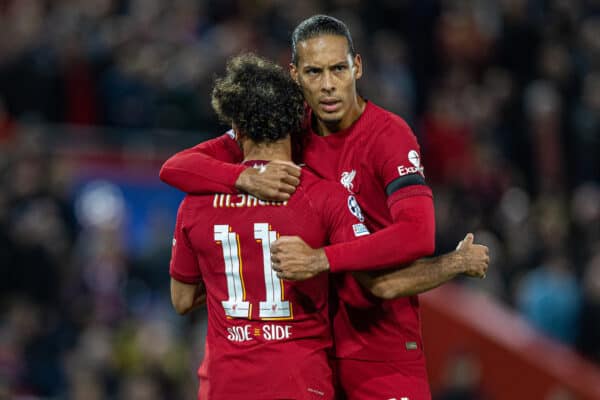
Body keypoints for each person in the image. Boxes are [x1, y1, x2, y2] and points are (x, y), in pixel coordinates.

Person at [162, 16, 489, 400]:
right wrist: (242, 179)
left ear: (358, 67)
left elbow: (417, 235)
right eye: (314, 72)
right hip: (310, 352)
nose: (329, 84)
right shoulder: (287, 124)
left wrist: (322, 259)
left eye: (338, 69)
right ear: (296, 75)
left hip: (377, 346)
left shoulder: (389, 137)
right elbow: (175, 167)